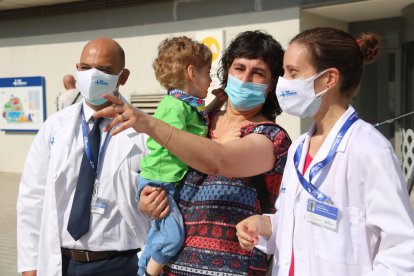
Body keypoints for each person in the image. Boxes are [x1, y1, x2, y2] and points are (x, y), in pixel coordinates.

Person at [94, 30, 292, 275]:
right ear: (227, 72)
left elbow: (219, 159)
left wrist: (146, 122)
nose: (246, 78)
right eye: (239, 68)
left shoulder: (271, 137)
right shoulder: (197, 121)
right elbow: (159, 168)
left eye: (258, 72)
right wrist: (147, 204)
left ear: (271, 84)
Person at [236, 27, 414, 275]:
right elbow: (301, 225)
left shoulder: (369, 150)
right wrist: (265, 225)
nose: (283, 82)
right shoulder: (299, 147)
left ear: (329, 79)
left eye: (293, 72)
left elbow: (401, 250)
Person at [17, 38, 151, 276]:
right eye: (86, 67)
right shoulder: (54, 127)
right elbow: (32, 197)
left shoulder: (144, 131)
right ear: (77, 69)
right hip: (61, 263)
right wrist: (30, 264)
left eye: (104, 70)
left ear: (123, 76)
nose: (93, 75)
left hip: (122, 264)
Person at [136, 36, 216, 276]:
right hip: (160, 182)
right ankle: (149, 272)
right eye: (208, 72)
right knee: (173, 236)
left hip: (164, 180)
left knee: (158, 232)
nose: (211, 80)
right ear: (192, 72)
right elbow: (172, 139)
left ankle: (142, 267)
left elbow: (196, 126)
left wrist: (215, 104)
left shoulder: (185, 105)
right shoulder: (174, 106)